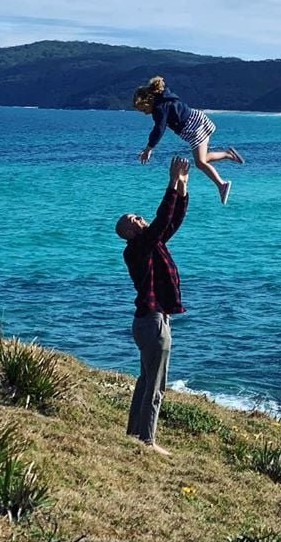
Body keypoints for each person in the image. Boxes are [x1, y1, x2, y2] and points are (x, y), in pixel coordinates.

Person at [116, 155, 191, 455]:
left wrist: (182, 186)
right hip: (152, 322)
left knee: (146, 380)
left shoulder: (150, 244)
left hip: (151, 321)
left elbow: (172, 221)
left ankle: (134, 434)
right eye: (132, 219)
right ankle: (147, 440)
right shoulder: (137, 248)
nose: (138, 217)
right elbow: (161, 220)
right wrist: (170, 182)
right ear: (130, 233)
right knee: (155, 385)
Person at [133, 76, 243, 204]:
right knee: (202, 159)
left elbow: (159, 129)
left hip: (193, 128)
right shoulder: (164, 96)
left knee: (200, 163)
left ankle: (222, 185)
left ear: (148, 101)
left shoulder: (159, 109)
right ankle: (228, 154)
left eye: (144, 109)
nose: (145, 113)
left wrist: (148, 149)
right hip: (198, 118)